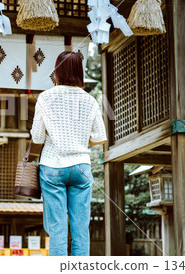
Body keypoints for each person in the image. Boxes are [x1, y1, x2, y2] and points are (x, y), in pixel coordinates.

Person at [30, 51, 107, 256]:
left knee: (57, 230)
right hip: (81, 166)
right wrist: (80, 140)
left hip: (53, 166)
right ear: (79, 72)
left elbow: (37, 137)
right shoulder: (90, 100)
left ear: (57, 71)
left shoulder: (45, 97)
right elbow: (100, 136)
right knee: (81, 230)